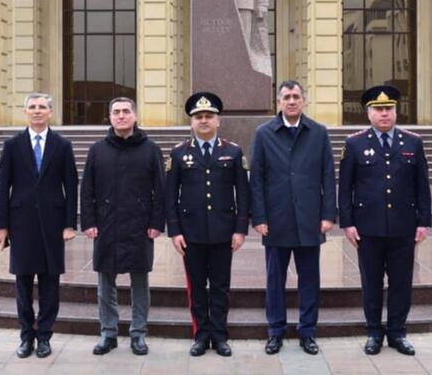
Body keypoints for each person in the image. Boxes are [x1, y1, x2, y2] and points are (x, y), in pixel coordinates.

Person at [338, 85, 432, 356]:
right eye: (378, 109)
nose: (384, 114)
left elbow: (422, 185)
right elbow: (345, 187)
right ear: (368, 113)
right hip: (368, 228)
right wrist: (347, 222)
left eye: (389, 109)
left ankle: (397, 333)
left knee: (402, 282)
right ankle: (373, 333)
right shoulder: (354, 144)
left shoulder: (413, 142)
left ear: (396, 111)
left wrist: (423, 221)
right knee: (371, 283)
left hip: (404, 227)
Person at [250, 80, 337, 355]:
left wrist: (328, 215)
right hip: (276, 220)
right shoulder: (264, 134)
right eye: (286, 97)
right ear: (278, 102)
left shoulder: (319, 133)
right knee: (275, 280)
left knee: (309, 279)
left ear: (304, 101)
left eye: (296, 96)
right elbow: (257, 179)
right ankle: (275, 331)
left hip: (310, 219)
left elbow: (327, 175)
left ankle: (307, 331)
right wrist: (259, 217)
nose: (291, 101)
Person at [0, 92, 78, 359]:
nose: (37, 111)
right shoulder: (12, 145)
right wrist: (1, 225)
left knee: (50, 284)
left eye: (42, 107)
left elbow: (71, 186)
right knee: (23, 284)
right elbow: (2, 187)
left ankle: (45, 337)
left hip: (53, 224)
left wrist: (69, 224)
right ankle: (26, 336)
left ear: (51, 113)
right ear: (25, 112)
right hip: (21, 224)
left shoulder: (62, 145)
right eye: (32, 107)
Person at [165, 92, 250, 357]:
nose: (204, 121)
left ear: (218, 121)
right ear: (191, 122)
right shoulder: (179, 154)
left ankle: (220, 335)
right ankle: (201, 335)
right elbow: (170, 196)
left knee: (221, 286)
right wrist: (175, 231)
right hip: (191, 234)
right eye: (198, 117)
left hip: (224, 232)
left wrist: (240, 229)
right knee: (197, 287)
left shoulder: (233, 152)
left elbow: (243, 194)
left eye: (208, 116)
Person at [80, 97, 165, 356]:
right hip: (106, 226)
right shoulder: (97, 150)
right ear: (109, 117)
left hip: (139, 227)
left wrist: (155, 223)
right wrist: (89, 222)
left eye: (126, 111)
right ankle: (108, 333)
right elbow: (87, 190)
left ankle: (138, 334)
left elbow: (161, 191)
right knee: (105, 284)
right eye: (116, 112)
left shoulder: (151, 149)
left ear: (135, 116)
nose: (121, 116)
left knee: (140, 282)